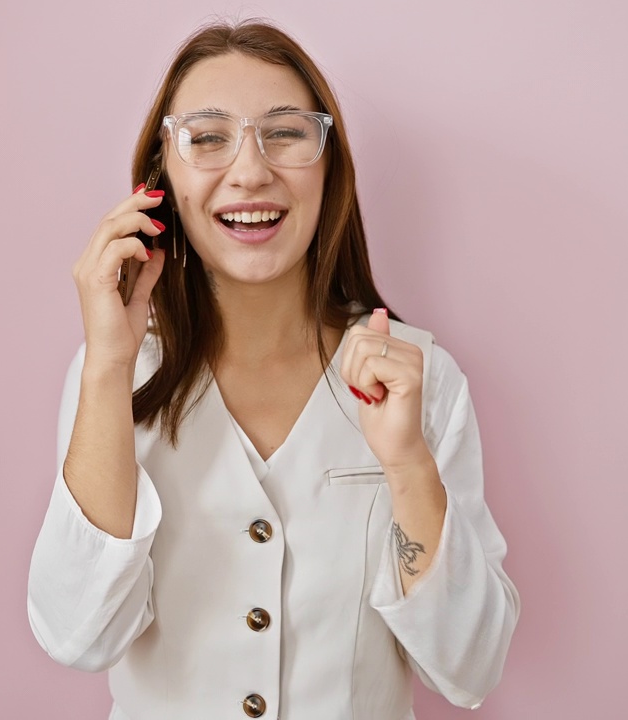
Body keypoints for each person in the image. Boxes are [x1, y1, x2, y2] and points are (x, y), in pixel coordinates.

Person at [27, 19, 519, 719]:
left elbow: (471, 666)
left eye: (286, 133)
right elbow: (78, 635)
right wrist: (109, 360)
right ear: (161, 180)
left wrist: (407, 462)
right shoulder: (113, 373)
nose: (251, 170)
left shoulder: (422, 378)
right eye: (207, 137)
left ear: (330, 168)